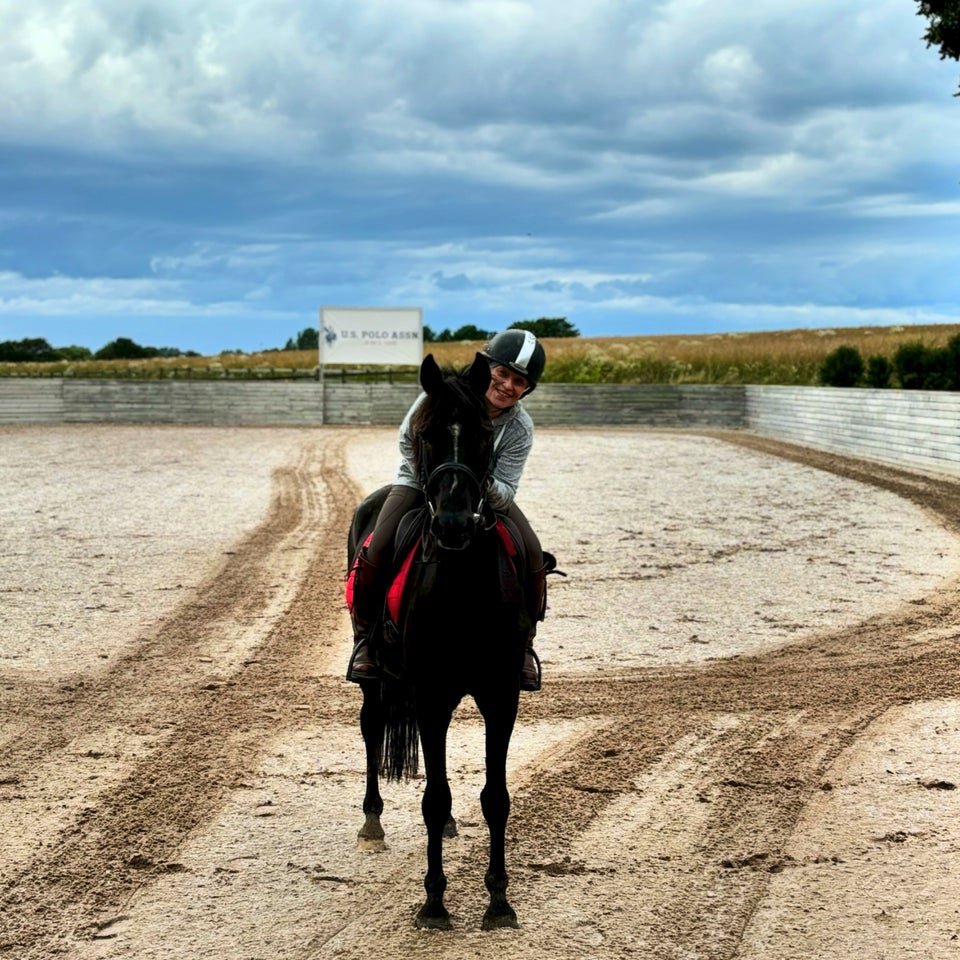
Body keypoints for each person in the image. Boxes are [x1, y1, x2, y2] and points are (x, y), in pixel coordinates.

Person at [347, 328, 552, 691]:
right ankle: (365, 638)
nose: (506, 385)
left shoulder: (519, 427)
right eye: (501, 373)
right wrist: (435, 482)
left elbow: (506, 488)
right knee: (378, 544)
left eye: (518, 381)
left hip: (483, 494)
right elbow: (406, 440)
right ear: (487, 368)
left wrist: (474, 482)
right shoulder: (443, 394)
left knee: (532, 551)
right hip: (420, 481)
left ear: (526, 390)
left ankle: (524, 646)